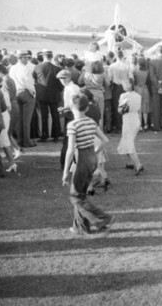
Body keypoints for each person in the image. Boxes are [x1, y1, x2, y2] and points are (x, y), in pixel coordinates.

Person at [62, 94, 114, 235]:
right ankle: (80, 227)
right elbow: (105, 140)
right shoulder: (91, 121)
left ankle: (104, 219)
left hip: (83, 159)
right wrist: (95, 151)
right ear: (86, 107)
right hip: (92, 157)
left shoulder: (72, 125)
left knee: (76, 197)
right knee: (81, 193)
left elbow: (70, 150)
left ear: (73, 107)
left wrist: (65, 171)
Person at [33, 49, 63, 142]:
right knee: (55, 115)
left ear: (43, 56)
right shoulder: (57, 69)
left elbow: (35, 79)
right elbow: (60, 84)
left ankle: (45, 135)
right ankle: (56, 135)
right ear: (51, 56)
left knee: (44, 116)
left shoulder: (37, 67)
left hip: (42, 94)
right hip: (54, 94)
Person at [9, 50, 37, 148]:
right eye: (25, 57)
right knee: (26, 120)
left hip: (16, 93)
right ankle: (27, 141)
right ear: (21, 58)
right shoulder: (25, 68)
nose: (27, 59)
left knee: (19, 119)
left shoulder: (12, 68)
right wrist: (33, 92)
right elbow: (28, 82)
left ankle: (20, 140)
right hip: (26, 92)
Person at [0, 75, 17, 173]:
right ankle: (11, 163)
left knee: (3, 142)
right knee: (3, 140)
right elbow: (8, 108)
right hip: (5, 116)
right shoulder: (4, 91)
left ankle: (11, 163)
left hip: (0, 116)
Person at [117, 79, 144, 174]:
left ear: (129, 85)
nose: (123, 86)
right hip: (136, 119)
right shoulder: (138, 96)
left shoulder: (124, 96)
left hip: (128, 120)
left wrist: (120, 110)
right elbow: (139, 110)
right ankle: (130, 162)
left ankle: (138, 164)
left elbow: (120, 110)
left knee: (128, 142)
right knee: (128, 140)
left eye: (124, 84)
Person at [57, 69, 81, 170]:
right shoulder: (69, 87)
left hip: (72, 114)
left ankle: (66, 164)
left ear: (69, 78)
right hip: (70, 114)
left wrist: (64, 108)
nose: (62, 80)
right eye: (60, 78)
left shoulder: (72, 88)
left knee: (68, 140)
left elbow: (74, 102)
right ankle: (69, 163)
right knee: (69, 140)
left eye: (64, 78)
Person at [79, 60, 108, 129]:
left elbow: (79, 81)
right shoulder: (102, 74)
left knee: (88, 112)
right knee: (100, 113)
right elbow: (108, 83)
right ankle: (100, 130)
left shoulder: (86, 73)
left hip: (89, 93)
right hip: (99, 93)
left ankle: (89, 129)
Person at [108, 50, 131, 133]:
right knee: (125, 105)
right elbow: (131, 77)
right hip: (125, 86)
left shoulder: (112, 66)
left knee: (117, 105)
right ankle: (125, 125)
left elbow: (110, 78)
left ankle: (119, 126)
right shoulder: (127, 66)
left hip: (117, 86)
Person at [132, 56, 151, 131]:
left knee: (138, 108)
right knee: (145, 108)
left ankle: (140, 125)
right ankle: (145, 124)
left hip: (137, 89)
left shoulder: (135, 70)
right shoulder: (147, 71)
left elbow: (132, 80)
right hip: (145, 89)